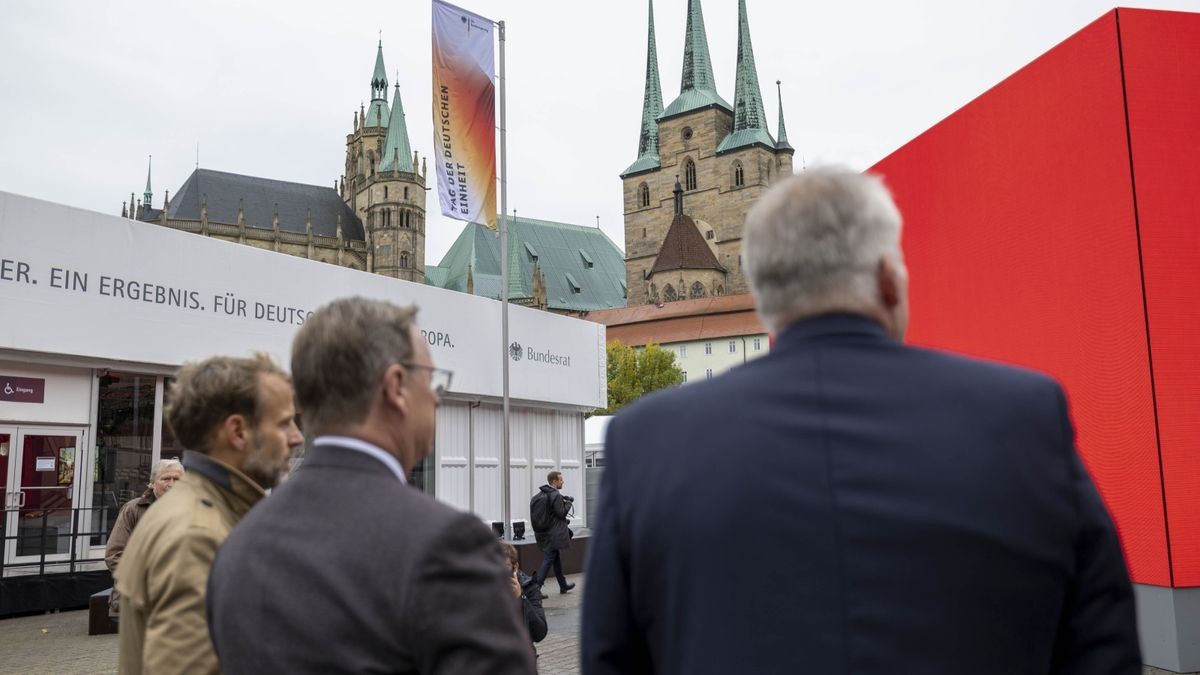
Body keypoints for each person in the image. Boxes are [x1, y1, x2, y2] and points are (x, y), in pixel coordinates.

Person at [581, 168, 1141, 674]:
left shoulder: (647, 443)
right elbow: (1103, 645)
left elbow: (611, 659)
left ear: (764, 296)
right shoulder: (1026, 415)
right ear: (888, 281)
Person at [206, 297, 536, 674]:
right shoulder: (448, 544)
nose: (435, 398)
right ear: (395, 386)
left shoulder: (238, 544)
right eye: (431, 381)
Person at [115, 353, 303, 674]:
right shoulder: (196, 535)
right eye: (284, 422)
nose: (296, 437)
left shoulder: (198, 513)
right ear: (238, 432)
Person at [104, 458, 184, 616]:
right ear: (153, 483)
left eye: (177, 479)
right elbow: (114, 555)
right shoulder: (133, 510)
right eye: (166, 478)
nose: (172, 484)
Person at [531, 470, 575, 594]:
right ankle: (536, 589)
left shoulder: (542, 494)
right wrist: (569, 502)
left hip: (544, 532)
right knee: (550, 558)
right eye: (561, 479)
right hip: (553, 534)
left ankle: (563, 585)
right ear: (554, 481)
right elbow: (561, 512)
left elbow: (552, 514)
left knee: (555, 558)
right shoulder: (554, 494)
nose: (563, 481)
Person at [500, 541, 548, 652]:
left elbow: (540, 633)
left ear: (515, 567)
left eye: (505, 567)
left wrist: (521, 598)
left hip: (522, 658)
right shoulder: (485, 589)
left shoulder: (529, 587)